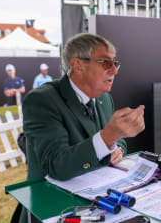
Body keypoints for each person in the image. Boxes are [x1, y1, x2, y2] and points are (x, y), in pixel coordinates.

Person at [16, 33, 145, 223]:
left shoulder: (103, 98)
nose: (114, 71)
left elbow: (115, 139)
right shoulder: (42, 100)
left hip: (96, 204)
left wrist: (117, 148)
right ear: (78, 65)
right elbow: (56, 166)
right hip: (53, 208)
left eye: (115, 64)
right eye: (105, 63)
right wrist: (108, 138)